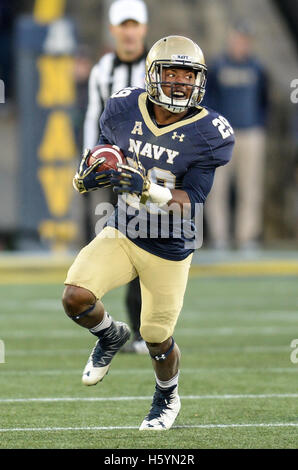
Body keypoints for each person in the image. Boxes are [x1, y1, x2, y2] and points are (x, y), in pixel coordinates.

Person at [62, 35, 235, 430]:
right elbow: (106, 148)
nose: (178, 82)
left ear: (199, 81)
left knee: (157, 338)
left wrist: (146, 188)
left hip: (170, 245)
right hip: (123, 230)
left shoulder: (209, 132)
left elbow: (193, 197)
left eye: (187, 75)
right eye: (170, 72)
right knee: (75, 297)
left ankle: (167, 397)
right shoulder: (125, 106)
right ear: (153, 74)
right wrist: (90, 171)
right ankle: (109, 335)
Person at [83, 0, 148, 353]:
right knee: (106, 246)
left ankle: (141, 330)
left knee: (146, 251)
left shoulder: (157, 68)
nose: (129, 31)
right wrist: (88, 160)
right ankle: (107, 328)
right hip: (112, 175)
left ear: (143, 28)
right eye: (123, 25)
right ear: (113, 30)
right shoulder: (103, 70)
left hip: (150, 175)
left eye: (134, 24)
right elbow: (93, 118)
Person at [204, 21, 269, 250]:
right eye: (238, 40)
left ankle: (247, 236)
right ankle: (220, 236)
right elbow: (208, 100)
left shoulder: (257, 68)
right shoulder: (218, 66)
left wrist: (259, 124)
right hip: (223, 135)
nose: (241, 45)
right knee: (218, 186)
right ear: (231, 40)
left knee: (249, 187)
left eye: (245, 41)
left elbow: (264, 100)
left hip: (251, 132)